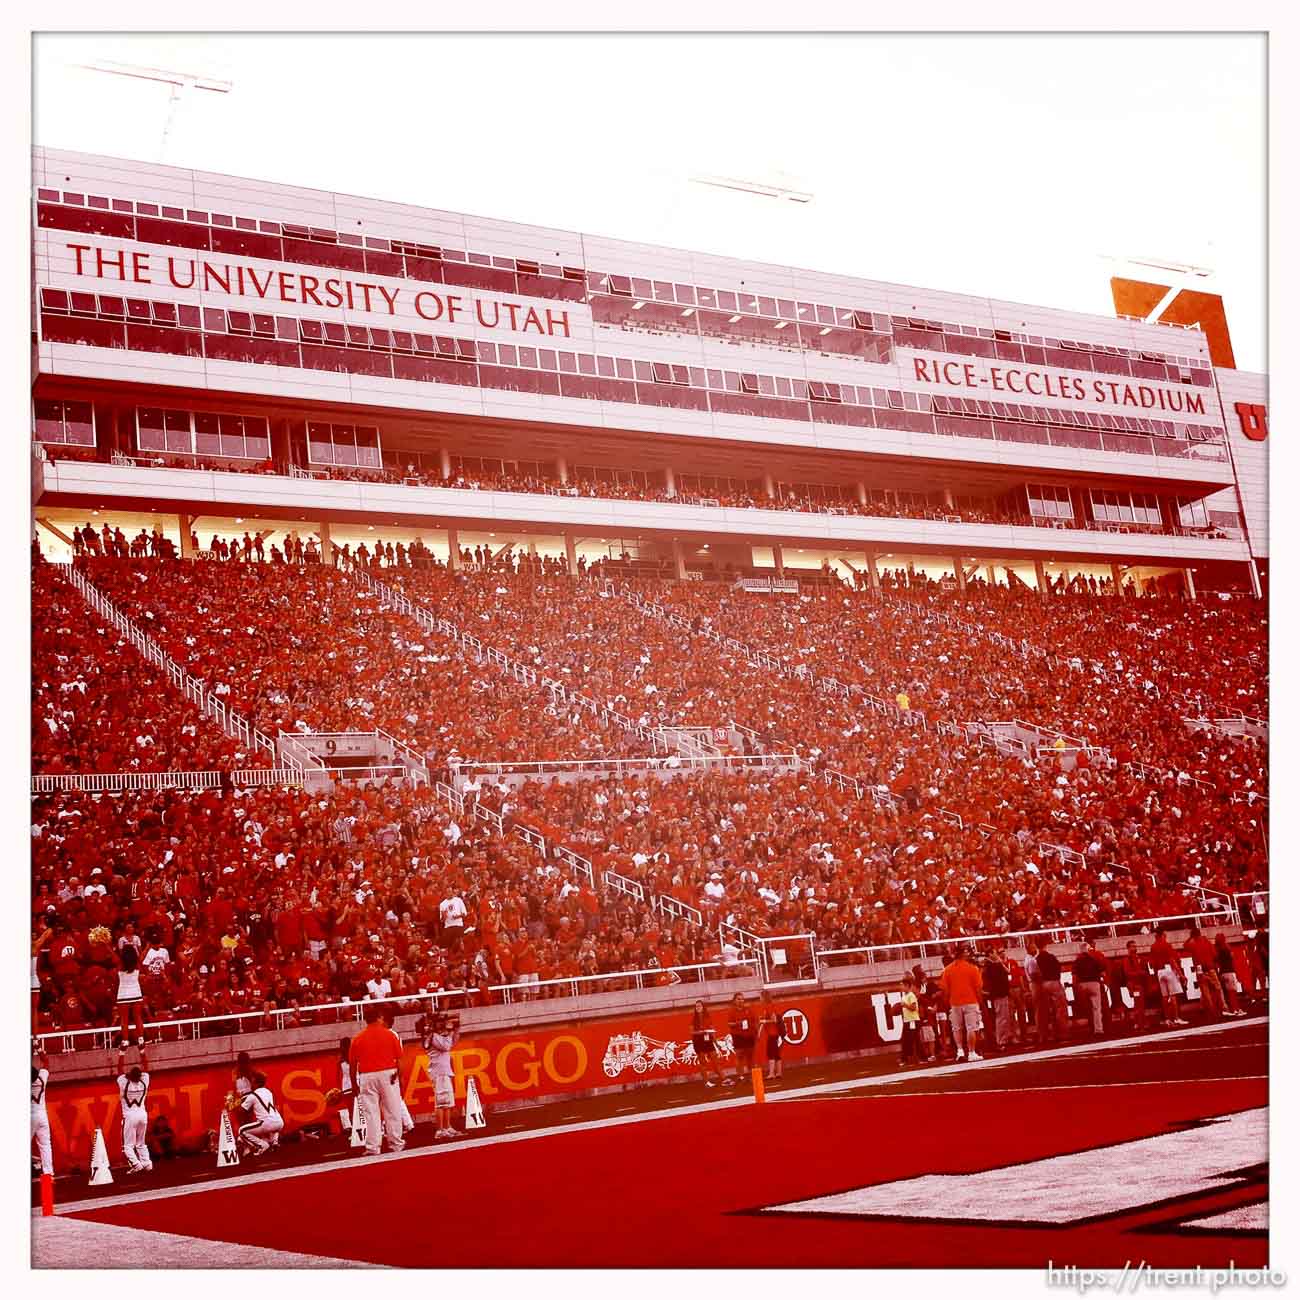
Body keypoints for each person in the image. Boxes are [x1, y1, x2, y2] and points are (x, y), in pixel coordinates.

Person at [348, 1002, 406, 1156]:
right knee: (392, 1109)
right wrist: (400, 1076)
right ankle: (396, 1143)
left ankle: (373, 1146)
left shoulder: (357, 1038)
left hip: (367, 1075)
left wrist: (354, 1084)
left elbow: (352, 1066)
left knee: (371, 1112)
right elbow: (400, 1060)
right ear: (380, 1018)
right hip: (388, 1074)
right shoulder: (390, 1034)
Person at [420, 1010, 461, 1139]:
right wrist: (449, 1032)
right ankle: (440, 1129)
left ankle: (447, 1127)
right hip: (439, 1072)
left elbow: (453, 1043)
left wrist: (455, 1029)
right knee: (441, 1102)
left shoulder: (437, 1036)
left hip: (443, 1071)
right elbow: (447, 1046)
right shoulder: (433, 1037)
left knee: (447, 1101)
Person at [940, 945, 983, 1063]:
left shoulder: (947, 970)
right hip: (970, 1001)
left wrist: (947, 1002)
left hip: (954, 1002)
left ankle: (960, 1051)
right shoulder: (972, 968)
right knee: (971, 1028)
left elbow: (945, 990)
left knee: (956, 1028)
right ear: (964, 954)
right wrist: (980, 1002)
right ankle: (971, 1052)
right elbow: (978, 988)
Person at [116, 1047, 152, 1174]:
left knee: (127, 1145)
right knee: (141, 1142)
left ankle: (136, 1164)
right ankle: (147, 1163)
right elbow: (146, 1067)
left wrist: (122, 1052)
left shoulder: (124, 1083)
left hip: (129, 1115)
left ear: (129, 1075)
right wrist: (142, 1051)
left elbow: (119, 1069)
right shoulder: (144, 1082)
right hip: (142, 1114)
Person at [236, 1071, 284, 1157]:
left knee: (242, 1131)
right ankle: (274, 1141)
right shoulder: (268, 1092)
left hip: (267, 1124)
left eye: (252, 1081)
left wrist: (235, 1103)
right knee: (269, 1122)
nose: (251, 1083)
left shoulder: (253, 1095)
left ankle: (262, 1145)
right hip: (279, 1122)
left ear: (256, 1083)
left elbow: (242, 1111)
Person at [1149, 930, 1189, 1027]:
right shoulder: (1167, 945)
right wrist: (1181, 974)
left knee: (1165, 997)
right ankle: (1176, 1018)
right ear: (1162, 935)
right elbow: (1171, 960)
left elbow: (1151, 964)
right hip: (1168, 969)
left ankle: (1167, 1019)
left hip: (1159, 971)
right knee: (1173, 995)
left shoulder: (1153, 947)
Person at [1035, 943, 1069, 1044]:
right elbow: (1058, 968)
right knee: (1060, 1009)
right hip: (1054, 982)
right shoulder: (1051, 957)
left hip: (1043, 984)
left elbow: (1036, 974)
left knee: (1047, 1011)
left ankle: (1050, 1034)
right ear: (1045, 947)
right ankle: (1062, 1033)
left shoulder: (1036, 959)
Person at [1071, 942, 1106, 1038]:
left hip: (1082, 985)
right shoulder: (1094, 959)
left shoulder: (1077, 961)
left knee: (1087, 1008)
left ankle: (1090, 1027)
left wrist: (1075, 987)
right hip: (1094, 983)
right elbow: (1103, 973)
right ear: (1088, 949)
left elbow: (1074, 976)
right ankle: (1098, 1029)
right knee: (1096, 1008)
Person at [980, 952, 1011, 1053]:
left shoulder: (991, 966)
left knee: (1003, 1017)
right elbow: (1007, 972)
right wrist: (1000, 961)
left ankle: (1003, 1039)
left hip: (998, 994)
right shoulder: (993, 967)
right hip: (999, 994)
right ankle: (1001, 1040)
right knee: (1001, 1017)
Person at [116, 944, 146, 1048]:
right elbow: (143, 954)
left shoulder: (120, 964)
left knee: (124, 1019)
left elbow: (112, 954)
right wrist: (149, 945)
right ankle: (141, 1039)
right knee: (138, 1017)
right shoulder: (137, 964)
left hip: (123, 995)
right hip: (136, 993)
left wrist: (105, 944)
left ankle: (125, 1041)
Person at [690, 1000, 724, 1088]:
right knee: (703, 1062)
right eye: (696, 1006)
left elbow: (712, 1032)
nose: (698, 1008)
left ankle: (723, 1079)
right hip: (698, 1041)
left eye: (700, 1006)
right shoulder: (694, 1019)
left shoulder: (707, 1018)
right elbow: (692, 1032)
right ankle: (706, 1082)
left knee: (715, 1059)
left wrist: (716, 1044)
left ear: (703, 1007)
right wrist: (701, 1032)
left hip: (708, 1040)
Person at [727, 993, 758, 1086]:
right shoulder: (731, 1011)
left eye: (742, 999)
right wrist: (738, 1023)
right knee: (739, 1057)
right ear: (734, 1001)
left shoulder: (749, 1010)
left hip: (749, 1036)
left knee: (750, 1058)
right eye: (738, 999)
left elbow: (755, 1021)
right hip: (738, 1036)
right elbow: (729, 1024)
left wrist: (755, 1032)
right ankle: (740, 1076)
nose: (741, 1001)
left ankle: (752, 1076)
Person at [32, 1045, 52, 1179]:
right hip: (42, 1115)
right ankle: (48, 1173)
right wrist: (38, 1048)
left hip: (29, 1116)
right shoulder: (42, 1078)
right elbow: (46, 1062)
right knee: (46, 1145)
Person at [760, 994, 785, 1084]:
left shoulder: (768, 1006)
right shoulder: (771, 1006)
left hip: (772, 1033)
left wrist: (764, 1021)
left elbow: (774, 1020)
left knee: (770, 1053)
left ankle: (771, 1073)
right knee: (776, 1053)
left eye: (761, 997)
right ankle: (779, 1072)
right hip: (774, 1033)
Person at [898, 976, 922, 1067]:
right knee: (908, 1040)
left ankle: (911, 1058)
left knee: (913, 1040)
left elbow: (913, 1007)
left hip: (912, 1021)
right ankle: (907, 1058)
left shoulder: (911, 995)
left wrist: (904, 1005)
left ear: (907, 985)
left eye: (902, 985)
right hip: (908, 1021)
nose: (901, 987)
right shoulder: (905, 996)